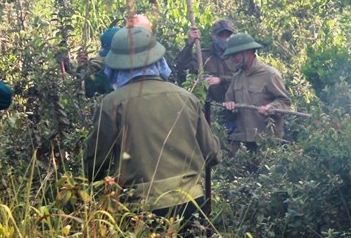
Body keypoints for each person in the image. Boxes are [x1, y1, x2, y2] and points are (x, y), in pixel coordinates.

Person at [84, 27, 220, 227]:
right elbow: (212, 154)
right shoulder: (187, 98)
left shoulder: (112, 104)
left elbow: (95, 164)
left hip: (141, 208)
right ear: (158, 60)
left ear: (117, 66)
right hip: (192, 203)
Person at [221, 32, 291, 150]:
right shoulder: (237, 77)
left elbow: (285, 102)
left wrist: (271, 108)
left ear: (247, 52)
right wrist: (230, 106)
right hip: (242, 144)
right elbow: (229, 101)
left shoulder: (270, 75)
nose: (233, 59)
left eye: (235, 54)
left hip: (266, 143)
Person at [173, 19, 240, 123]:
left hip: (235, 112)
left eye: (228, 35)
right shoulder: (203, 56)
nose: (225, 39)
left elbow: (244, 79)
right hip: (209, 113)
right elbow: (181, 68)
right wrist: (189, 43)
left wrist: (221, 80)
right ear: (213, 36)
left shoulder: (238, 56)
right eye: (221, 35)